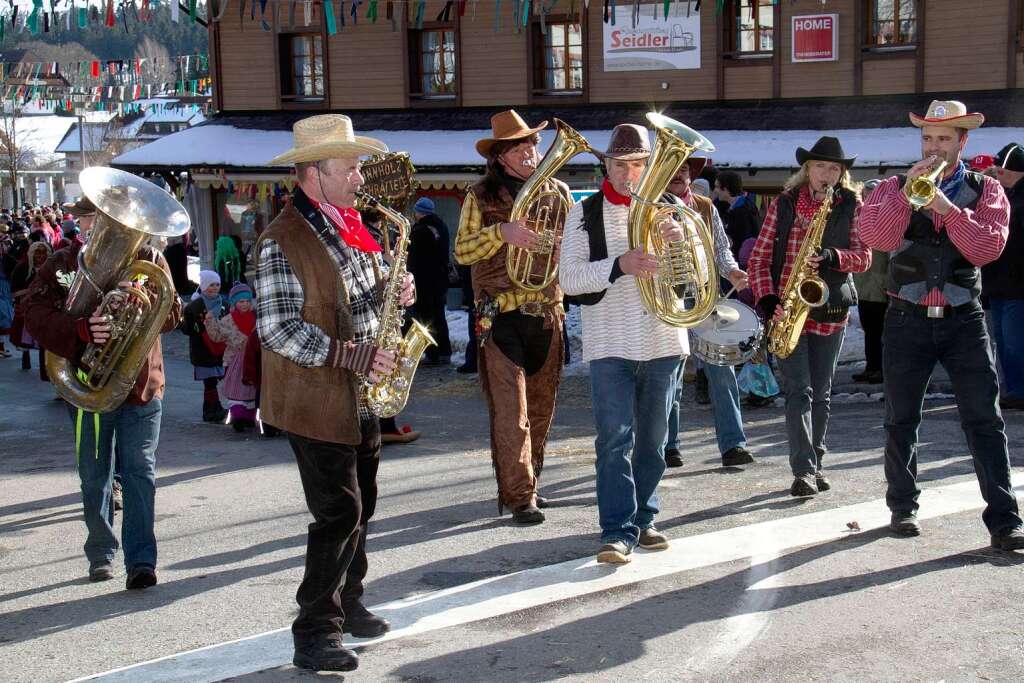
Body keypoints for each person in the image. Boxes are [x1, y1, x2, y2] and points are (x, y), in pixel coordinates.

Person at [258, 114, 416, 673]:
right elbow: (278, 331)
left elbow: (366, 300)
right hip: (312, 397)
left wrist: (399, 287)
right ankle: (314, 631)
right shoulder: (281, 240)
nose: (359, 176)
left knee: (363, 505)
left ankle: (350, 602)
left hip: (360, 391)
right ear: (314, 173)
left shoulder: (352, 224)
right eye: (350, 167)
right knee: (338, 511)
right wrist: (356, 355)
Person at [860, 100, 1023, 548]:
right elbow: (879, 239)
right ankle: (902, 506)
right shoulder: (892, 186)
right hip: (906, 319)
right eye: (928, 139)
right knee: (900, 419)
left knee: (984, 421)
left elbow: (986, 249)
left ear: (962, 142)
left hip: (963, 321)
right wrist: (906, 193)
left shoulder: (987, 190)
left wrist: (946, 206)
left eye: (944, 139)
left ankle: (1005, 521)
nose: (935, 148)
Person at [23, 191, 182, 588]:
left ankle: (142, 562)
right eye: (92, 217)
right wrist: (80, 330)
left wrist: (141, 304)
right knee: (95, 476)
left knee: (139, 472)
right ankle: (100, 553)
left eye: (103, 217)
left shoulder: (152, 260)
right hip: (87, 384)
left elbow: (174, 312)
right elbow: (32, 312)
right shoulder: (63, 262)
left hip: (141, 385)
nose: (96, 224)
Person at [559, 122, 702, 563]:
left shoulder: (674, 209)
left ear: (650, 165)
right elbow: (569, 279)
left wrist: (683, 249)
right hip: (610, 343)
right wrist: (618, 264)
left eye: (638, 164)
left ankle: (645, 518)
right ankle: (617, 530)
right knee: (613, 440)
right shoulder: (583, 213)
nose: (629, 173)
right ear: (607, 164)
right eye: (620, 164)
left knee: (654, 442)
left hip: (663, 340)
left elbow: (697, 281)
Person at [455, 110, 569, 525]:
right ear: (501, 155)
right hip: (499, 315)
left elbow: (572, 251)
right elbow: (462, 252)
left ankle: (530, 484)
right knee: (510, 412)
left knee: (540, 409)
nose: (530, 151)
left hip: (545, 312)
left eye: (533, 144)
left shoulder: (556, 191)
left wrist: (560, 248)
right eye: (520, 146)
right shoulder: (480, 194)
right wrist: (500, 234)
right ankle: (520, 496)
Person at [748, 136, 871, 498]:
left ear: (842, 174)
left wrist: (833, 257)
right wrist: (767, 297)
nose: (827, 174)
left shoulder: (851, 204)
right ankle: (802, 470)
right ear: (807, 169)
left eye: (834, 168)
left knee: (822, 393)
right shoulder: (782, 205)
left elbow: (864, 257)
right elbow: (758, 258)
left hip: (829, 311)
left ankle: (816, 460)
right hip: (787, 310)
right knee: (798, 392)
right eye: (820, 166)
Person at [663, 159, 755, 469]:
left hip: (705, 294)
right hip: (667, 297)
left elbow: (721, 247)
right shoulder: (649, 204)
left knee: (722, 369)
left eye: (684, 170)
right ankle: (669, 445)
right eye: (672, 168)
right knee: (671, 373)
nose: (679, 175)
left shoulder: (704, 206)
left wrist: (731, 270)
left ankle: (733, 444)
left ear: (691, 175)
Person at [981, 143, 1024, 410]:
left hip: (1017, 284)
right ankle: (1012, 389)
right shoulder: (1002, 194)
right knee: (1003, 341)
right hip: (997, 282)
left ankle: (1018, 390)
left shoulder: (1014, 198)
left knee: (1015, 342)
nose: (997, 172)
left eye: (1001, 168)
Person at [206, 283, 259, 432]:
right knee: (236, 389)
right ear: (235, 302)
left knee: (251, 388)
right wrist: (210, 322)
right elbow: (217, 336)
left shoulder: (256, 318)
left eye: (247, 301)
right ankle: (238, 416)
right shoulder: (228, 320)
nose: (245, 304)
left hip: (253, 360)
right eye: (241, 301)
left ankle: (250, 416)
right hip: (234, 359)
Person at [852, 179, 889, 385]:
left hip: (880, 283)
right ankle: (871, 367)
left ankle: (881, 369)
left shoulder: (887, 216)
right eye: (865, 193)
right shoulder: (860, 216)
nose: (867, 197)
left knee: (880, 330)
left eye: (871, 193)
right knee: (870, 329)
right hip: (864, 283)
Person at [408, 196, 453, 365]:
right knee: (440, 315)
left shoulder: (420, 230)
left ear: (419, 212)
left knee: (426, 317)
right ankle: (445, 351)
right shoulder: (441, 226)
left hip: (423, 281)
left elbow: (412, 254)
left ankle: (432, 354)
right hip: (439, 280)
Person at [181, 270, 228, 423]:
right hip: (203, 350)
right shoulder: (194, 307)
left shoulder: (224, 303)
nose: (214, 288)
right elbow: (186, 328)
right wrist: (201, 325)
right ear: (203, 286)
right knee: (210, 381)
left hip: (221, 348)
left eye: (217, 285)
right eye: (211, 285)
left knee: (217, 379)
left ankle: (213, 408)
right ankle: (211, 410)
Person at [714, 170, 762, 261]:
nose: (715, 190)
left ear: (726, 188)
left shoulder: (745, 211)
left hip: (740, 263)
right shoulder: (723, 205)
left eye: (717, 187)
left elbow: (743, 242)